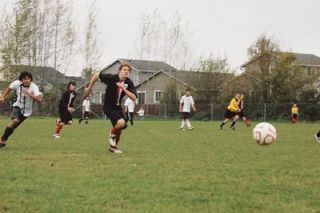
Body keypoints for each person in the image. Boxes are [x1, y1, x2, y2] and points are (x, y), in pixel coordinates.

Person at [84, 63, 137, 154]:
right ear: (119, 71)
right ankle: (111, 133)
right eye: (124, 69)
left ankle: (113, 148)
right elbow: (96, 75)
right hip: (108, 106)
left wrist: (123, 89)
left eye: (128, 71)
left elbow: (134, 98)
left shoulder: (129, 82)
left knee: (120, 130)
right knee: (120, 123)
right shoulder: (112, 78)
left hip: (118, 108)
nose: (126, 72)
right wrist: (90, 87)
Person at [0, 71, 43, 148]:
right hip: (17, 106)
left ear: (31, 80)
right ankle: (3, 140)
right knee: (15, 120)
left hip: (27, 111)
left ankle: (3, 140)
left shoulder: (34, 87)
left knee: (13, 126)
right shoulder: (17, 83)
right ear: (21, 80)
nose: (26, 80)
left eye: (28, 79)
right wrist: (3, 96)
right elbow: (9, 88)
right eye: (24, 79)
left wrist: (29, 94)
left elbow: (39, 99)